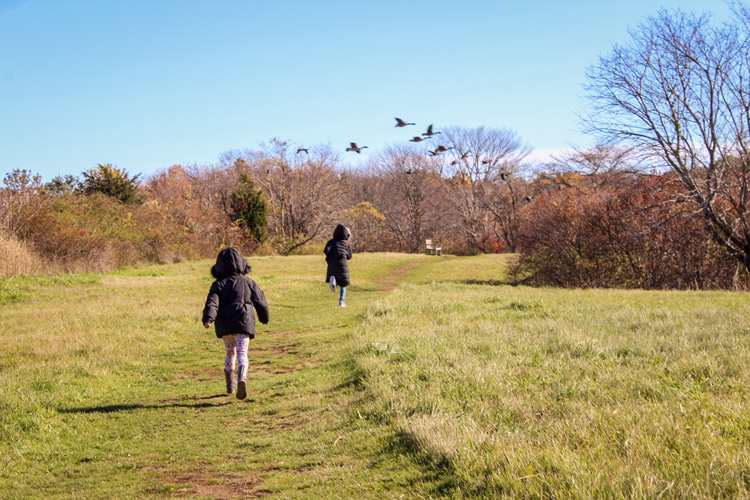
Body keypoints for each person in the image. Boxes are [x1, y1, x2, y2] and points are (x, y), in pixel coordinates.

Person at [202, 247, 269, 400]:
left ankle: (230, 384)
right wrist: (264, 318)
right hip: (244, 323)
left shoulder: (217, 284)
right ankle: (242, 379)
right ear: (241, 263)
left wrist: (208, 319)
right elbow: (261, 301)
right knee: (242, 353)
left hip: (226, 326)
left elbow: (212, 303)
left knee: (230, 352)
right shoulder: (248, 282)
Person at [324, 224, 353, 307]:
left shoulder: (331, 242)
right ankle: (341, 301)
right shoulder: (347, 244)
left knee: (335, 275)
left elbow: (326, 251)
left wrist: (329, 257)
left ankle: (334, 282)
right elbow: (349, 257)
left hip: (332, 263)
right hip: (342, 263)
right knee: (343, 283)